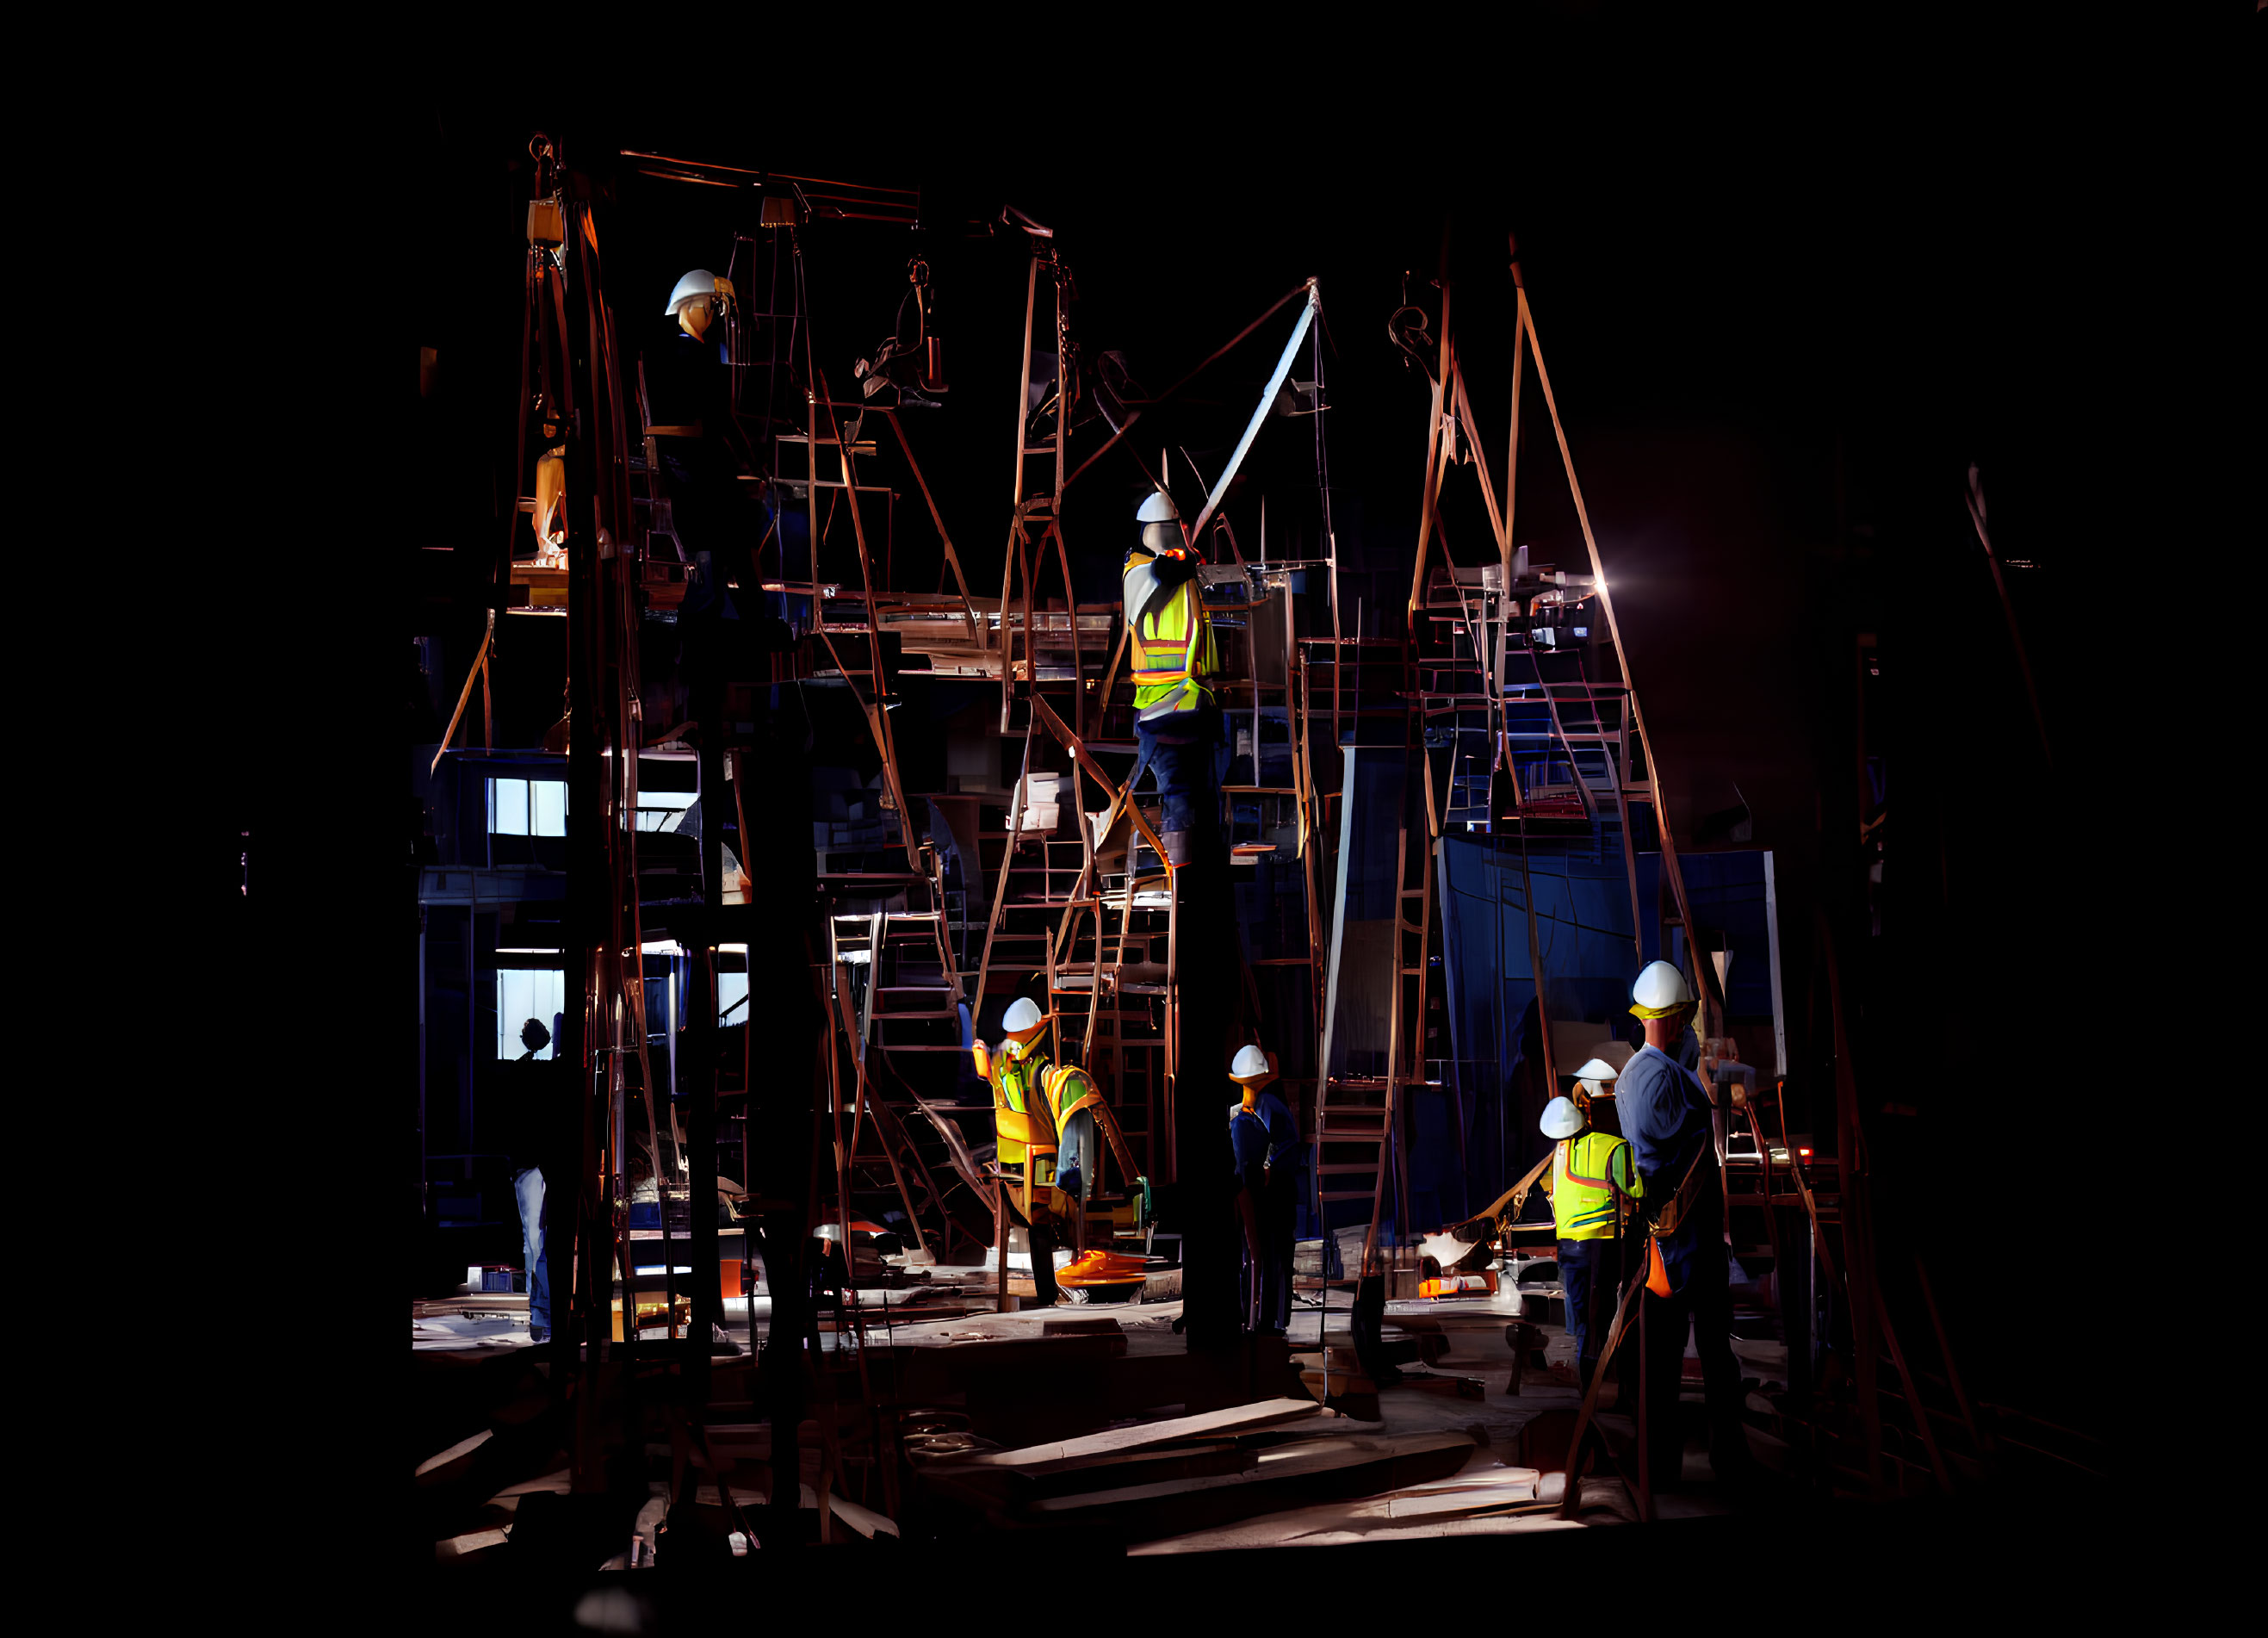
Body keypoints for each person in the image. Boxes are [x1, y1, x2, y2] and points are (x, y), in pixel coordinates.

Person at [1616, 959, 1751, 1487]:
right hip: (1683, 1243)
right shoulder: (1655, 1081)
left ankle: (1663, 1464)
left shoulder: (1645, 1074)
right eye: (1687, 1020)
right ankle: (1711, 1462)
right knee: (1707, 1359)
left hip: (1675, 1247)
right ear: (1673, 1021)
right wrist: (1720, 1092)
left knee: (1668, 1365)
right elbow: (1681, 1146)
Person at [1121, 488, 1222, 866]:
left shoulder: (1185, 576)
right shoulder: (1139, 574)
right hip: (1161, 705)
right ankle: (1180, 875)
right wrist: (1188, 557)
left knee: (1203, 797)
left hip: (1195, 704)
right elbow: (1167, 570)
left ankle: (1201, 869)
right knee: (1177, 794)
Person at [1537, 1094, 1642, 1400]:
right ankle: (1612, 1381)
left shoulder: (1559, 1151)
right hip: (1603, 1243)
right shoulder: (1614, 1147)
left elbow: (1548, 1187)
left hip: (1569, 1245)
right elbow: (1636, 1188)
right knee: (1608, 1312)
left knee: (1583, 1317)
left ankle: (1589, 1386)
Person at [1226, 1045, 1298, 1336]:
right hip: (1273, 1188)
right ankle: (1266, 1319)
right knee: (1268, 1256)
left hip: (1277, 1190)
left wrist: (1267, 1169)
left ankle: (1268, 1320)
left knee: (1271, 1256)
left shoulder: (1265, 1105)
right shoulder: (1255, 1110)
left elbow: (1270, 1151)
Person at [507, 1017, 557, 1343]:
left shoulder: (520, 1072)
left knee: (535, 1240)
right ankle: (541, 1312)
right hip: (539, 1159)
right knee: (540, 1239)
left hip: (529, 1161)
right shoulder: (548, 1074)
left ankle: (540, 1313)